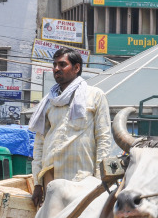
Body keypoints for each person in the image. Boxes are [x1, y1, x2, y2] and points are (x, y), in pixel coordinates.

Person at [29, 47, 112, 207]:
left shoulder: (95, 95)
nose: (56, 69)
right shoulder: (48, 101)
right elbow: (40, 143)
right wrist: (37, 183)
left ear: (76, 68)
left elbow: (103, 138)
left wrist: (99, 178)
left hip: (83, 179)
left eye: (62, 64)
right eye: (54, 65)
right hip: (51, 179)